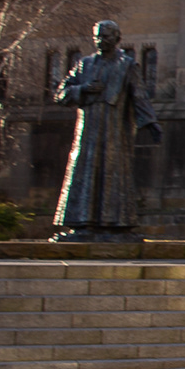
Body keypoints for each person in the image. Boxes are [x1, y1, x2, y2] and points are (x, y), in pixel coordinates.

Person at [51, 20, 160, 242]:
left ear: (117, 38)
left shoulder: (127, 65)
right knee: (85, 171)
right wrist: (82, 89)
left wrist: (150, 123)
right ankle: (82, 225)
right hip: (88, 130)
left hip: (114, 131)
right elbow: (61, 94)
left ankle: (116, 226)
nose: (102, 41)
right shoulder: (85, 64)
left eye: (107, 37)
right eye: (98, 37)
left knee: (114, 174)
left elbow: (139, 95)